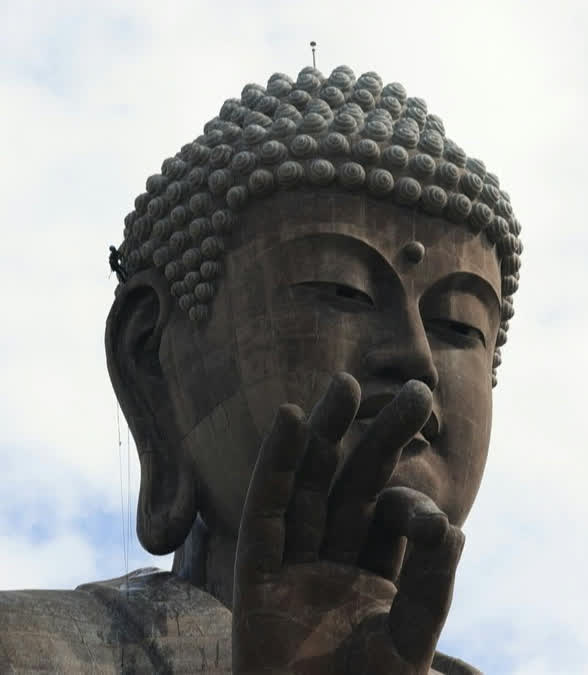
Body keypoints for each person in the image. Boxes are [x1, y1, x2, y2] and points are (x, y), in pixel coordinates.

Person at [0, 64, 522, 674]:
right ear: (152, 363)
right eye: (342, 289)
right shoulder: (31, 652)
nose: (415, 359)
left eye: (460, 325)